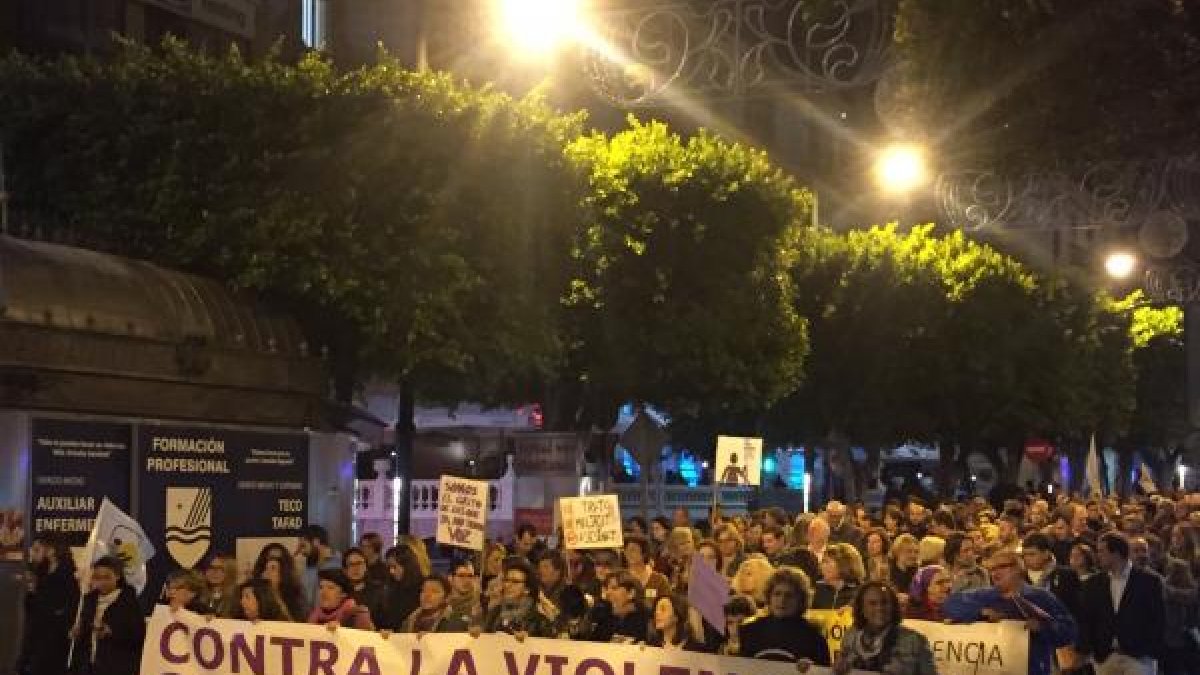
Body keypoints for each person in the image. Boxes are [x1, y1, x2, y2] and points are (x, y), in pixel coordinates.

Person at [943, 548, 1078, 675]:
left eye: (1001, 567)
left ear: (1018, 568)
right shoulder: (983, 596)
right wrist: (980, 612)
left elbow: (1068, 632)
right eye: (992, 569)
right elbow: (950, 604)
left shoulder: (1041, 597)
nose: (995, 573)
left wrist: (1041, 627)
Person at [1078, 532, 1165, 675]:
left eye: (1102, 551)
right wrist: (1090, 650)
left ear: (1116, 553)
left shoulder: (1149, 581)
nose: (1098, 555)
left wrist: (1149, 650)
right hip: (1105, 657)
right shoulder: (1093, 584)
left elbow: (1158, 619)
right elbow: (1087, 619)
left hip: (1139, 658)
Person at [835, 582, 937, 674]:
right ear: (861, 608)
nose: (879, 608)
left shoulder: (915, 641)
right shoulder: (850, 636)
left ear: (894, 606)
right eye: (872, 603)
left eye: (885, 602)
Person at [734, 567, 830, 665]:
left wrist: (813, 669)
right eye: (777, 594)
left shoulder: (814, 637)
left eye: (789, 595)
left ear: (801, 600)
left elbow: (824, 670)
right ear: (769, 597)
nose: (782, 600)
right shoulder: (749, 631)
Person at [69, 556, 145, 675]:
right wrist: (78, 633)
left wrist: (111, 631)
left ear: (117, 576)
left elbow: (138, 635)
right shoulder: (89, 600)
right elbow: (85, 631)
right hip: (89, 667)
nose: (102, 582)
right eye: (97, 578)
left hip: (117, 667)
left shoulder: (128, 602)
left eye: (107, 577)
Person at [17, 532, 79, 675]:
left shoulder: (68, 574)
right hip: (35, 637)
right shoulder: (40, 571)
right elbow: (32, 609)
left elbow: (69, 607)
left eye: (37, 549)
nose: (32, 553)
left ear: (51, 550)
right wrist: (32, 590)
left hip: (55, 641)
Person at [482, 558, 552, 637]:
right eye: (506, 580)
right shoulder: (495, 612)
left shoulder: (536, 618)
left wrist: (527, 639)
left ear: (527, 589)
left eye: (515, 582)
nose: (507, 585)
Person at [253, 542, 308, 621]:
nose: (269, 572)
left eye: (273, 568)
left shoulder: (296, 593)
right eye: (267, 568)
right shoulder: (254, 592)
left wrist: (276, 593)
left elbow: (298, 623)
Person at [399, 575, 469, 633]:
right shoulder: (409, 621)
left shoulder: (456, 622)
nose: (427, 595)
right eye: (423, 590)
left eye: (434, 591)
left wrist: (430, 639)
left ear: (446, 598)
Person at [308, 569, 373, 630]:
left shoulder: (357, 614)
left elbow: (366, 636)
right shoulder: (314, 614)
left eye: (330, 588)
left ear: (343, 594)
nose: (323, 592)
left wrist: (341, 630)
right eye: (321, 587)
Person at [343, 546, 389, 628]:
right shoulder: (341, 592)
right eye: (351, 564)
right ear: (345, 570)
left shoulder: (378, 591)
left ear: (366, 567)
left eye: (359, 563)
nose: (356, 568)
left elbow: (386, 623)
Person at [382, 544, 423, 630]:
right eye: (389, 567)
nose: (391, 571)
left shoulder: (422, 587)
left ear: (407, 565)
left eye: (394, 567)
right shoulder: (392, 587)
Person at [812, 542, 864, 610]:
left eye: (826, 562)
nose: (821, 566)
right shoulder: (817, 589)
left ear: (843, 564)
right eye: (822, 562)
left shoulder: (861, 591)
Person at [623, 535, 671, 607]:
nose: (628, 554)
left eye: (633, 550)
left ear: (644, 552)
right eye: (626, 550)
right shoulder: (622, 577)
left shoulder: (659, 579)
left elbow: (667, 603)